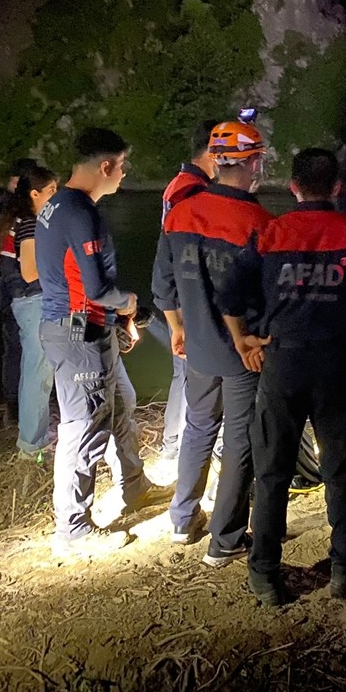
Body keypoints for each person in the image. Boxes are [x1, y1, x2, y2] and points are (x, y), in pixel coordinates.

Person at [228, 148, 346, 606]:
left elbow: (228, 297)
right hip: (337, 365)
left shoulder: (268, 233)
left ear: (294, 187)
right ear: (337, 188)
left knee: (272, 471)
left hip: (281, 363)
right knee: (341, 469)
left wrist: (244, 341)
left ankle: (264, 574)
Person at [36, 128, 171, 554]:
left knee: (121, 403)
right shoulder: (81, 212)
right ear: (106, 166)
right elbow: (95, 289)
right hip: (79, 332)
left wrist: (116, 318)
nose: (125, 173)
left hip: (86, 327)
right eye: (123, 164)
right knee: (84, 427)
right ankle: (73, 530)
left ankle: (135, 486)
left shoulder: (56, 205)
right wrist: (130, 304)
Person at [152, 119, 272, 566]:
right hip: (243, 352)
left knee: (199, 426)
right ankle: (225, 538)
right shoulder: (258, 221)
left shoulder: (180, 211)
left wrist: (177, 327)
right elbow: (265, 295)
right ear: (254, 162)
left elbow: (162, 282)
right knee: (240, 437)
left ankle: (183, 519)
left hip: (197, 343)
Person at [153, 119, 220, 460]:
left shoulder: (179, 184)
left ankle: (172, 445)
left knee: (184, 374)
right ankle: (180, 448)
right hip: (188, 297)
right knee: (193, 374)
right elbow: (182, 251)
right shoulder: (190, 191)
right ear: (212, 152)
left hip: (179, 295)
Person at [0, 165, 58, 459]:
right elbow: (31, 272)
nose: (55, 196)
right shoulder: (31, 224)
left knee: (31, 371)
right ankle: (33, 445)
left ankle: (35, 432)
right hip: (34, 302)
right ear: (35, 194)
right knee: (39, 374)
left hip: (20, 302)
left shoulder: (12, 220)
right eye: (51, 191)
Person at [0, 157, 37, 424]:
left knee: (16, 349)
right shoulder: (18, 214)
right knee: (24, 350)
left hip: (9, 285)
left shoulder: (6, 210)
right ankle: (20, 411)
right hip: (20, 289)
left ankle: (15, 408)